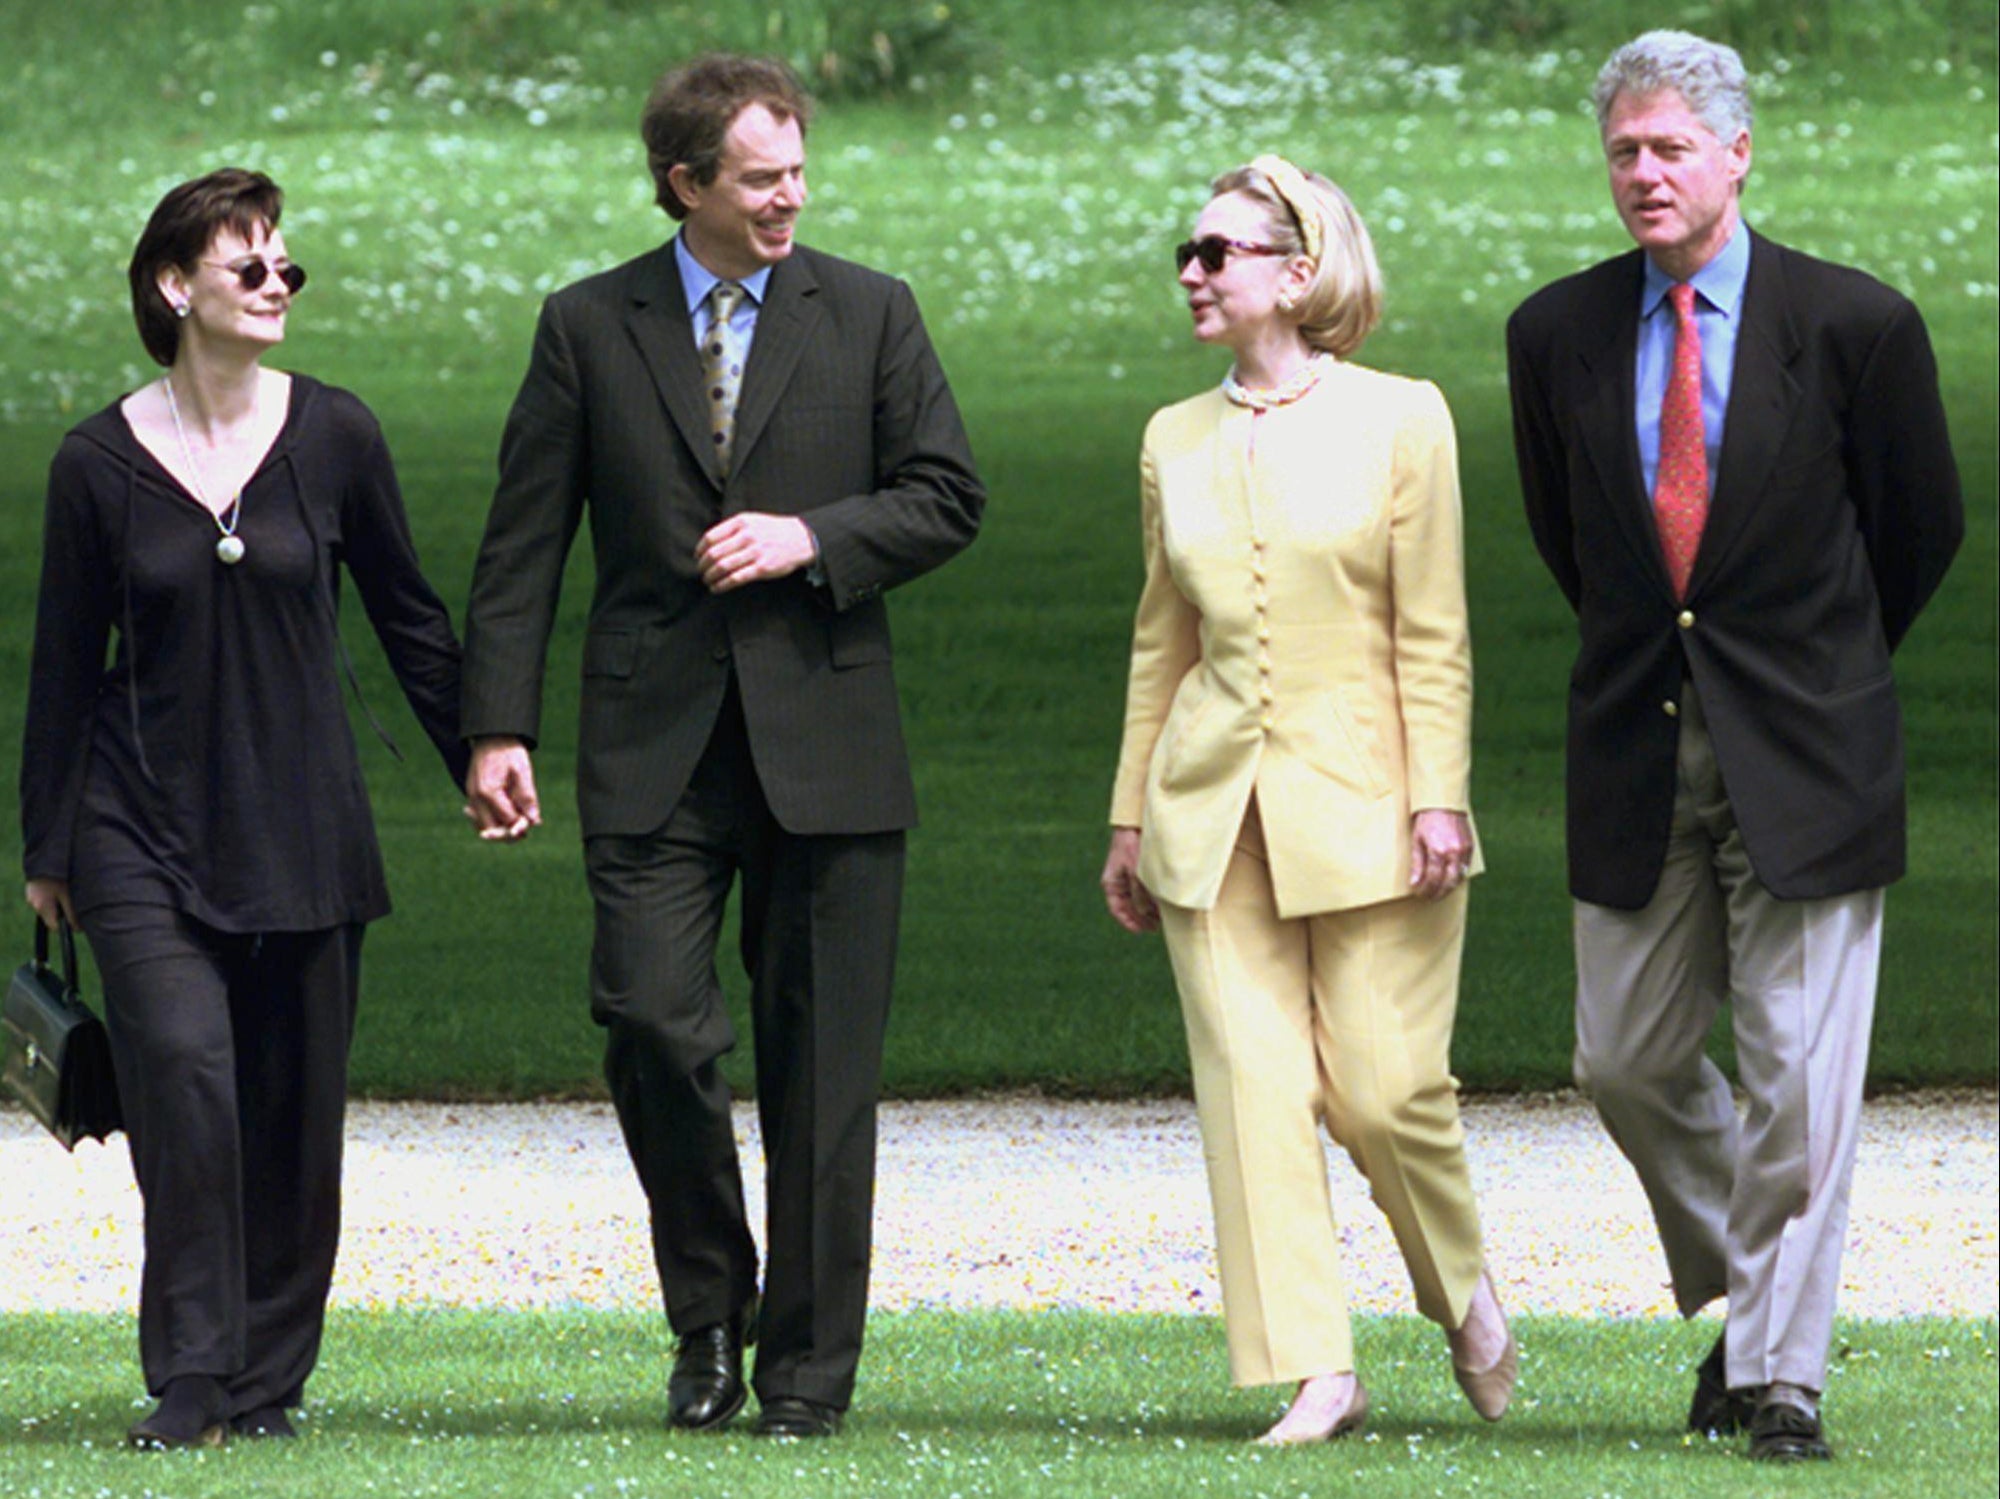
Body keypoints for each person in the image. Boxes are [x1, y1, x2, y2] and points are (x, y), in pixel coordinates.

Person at [459, 54, 983, 1439]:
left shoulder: (870, 312)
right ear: (686, 181)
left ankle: (808, 1377)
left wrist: (814, 536)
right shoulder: (586, 326)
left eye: (798, 171)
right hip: (652, 745)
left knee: (823, 1079)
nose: (789, 197)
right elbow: (521, 544)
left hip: (830, 743)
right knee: (648, 1019)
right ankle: (710, 1315)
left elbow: (946, 494)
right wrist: (495, 722)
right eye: (761, 176)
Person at [1506, 31, 1963, 1463]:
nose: (1644, 175)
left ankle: (1780, 1376)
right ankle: (1750, 1288)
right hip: (1637, 741)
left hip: (1809, 748)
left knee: (1800, 1077)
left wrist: (1809, 666)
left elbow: (1917, 528)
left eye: (1670, 150)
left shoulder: (1855, 326)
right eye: (1624, 152)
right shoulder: (1556, 332)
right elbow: (1576, 542)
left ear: (1738, 152)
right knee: (1624, 1057)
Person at [18, 168, 467, 1448]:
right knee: (184, 1079)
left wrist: (480, 750)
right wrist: (48, 842)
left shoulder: (336, 435)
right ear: (176, 287)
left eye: (286, 268)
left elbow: (408, 614)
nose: (278, 287)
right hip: (135, 825)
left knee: (291, 1107)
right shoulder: (95, 463)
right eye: (250, 266)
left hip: (303, 823)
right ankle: (196, 1373)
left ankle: (268, 1374)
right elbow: (62, 664)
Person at [1100, 155, 1515, 1445]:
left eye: (1214, 252)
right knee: (1252, 1088)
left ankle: (1461, 1293)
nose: (1190, 272)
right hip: (1203, 813)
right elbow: (1158, 643)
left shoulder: (1405, 416)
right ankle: (1314, 1366)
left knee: (1385, 1089)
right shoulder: (1171, 436)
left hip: (1376, 803)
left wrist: (1438, 793)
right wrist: (1126, 817)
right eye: (1186, 251)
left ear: (1297, 268)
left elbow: (1433, 629)